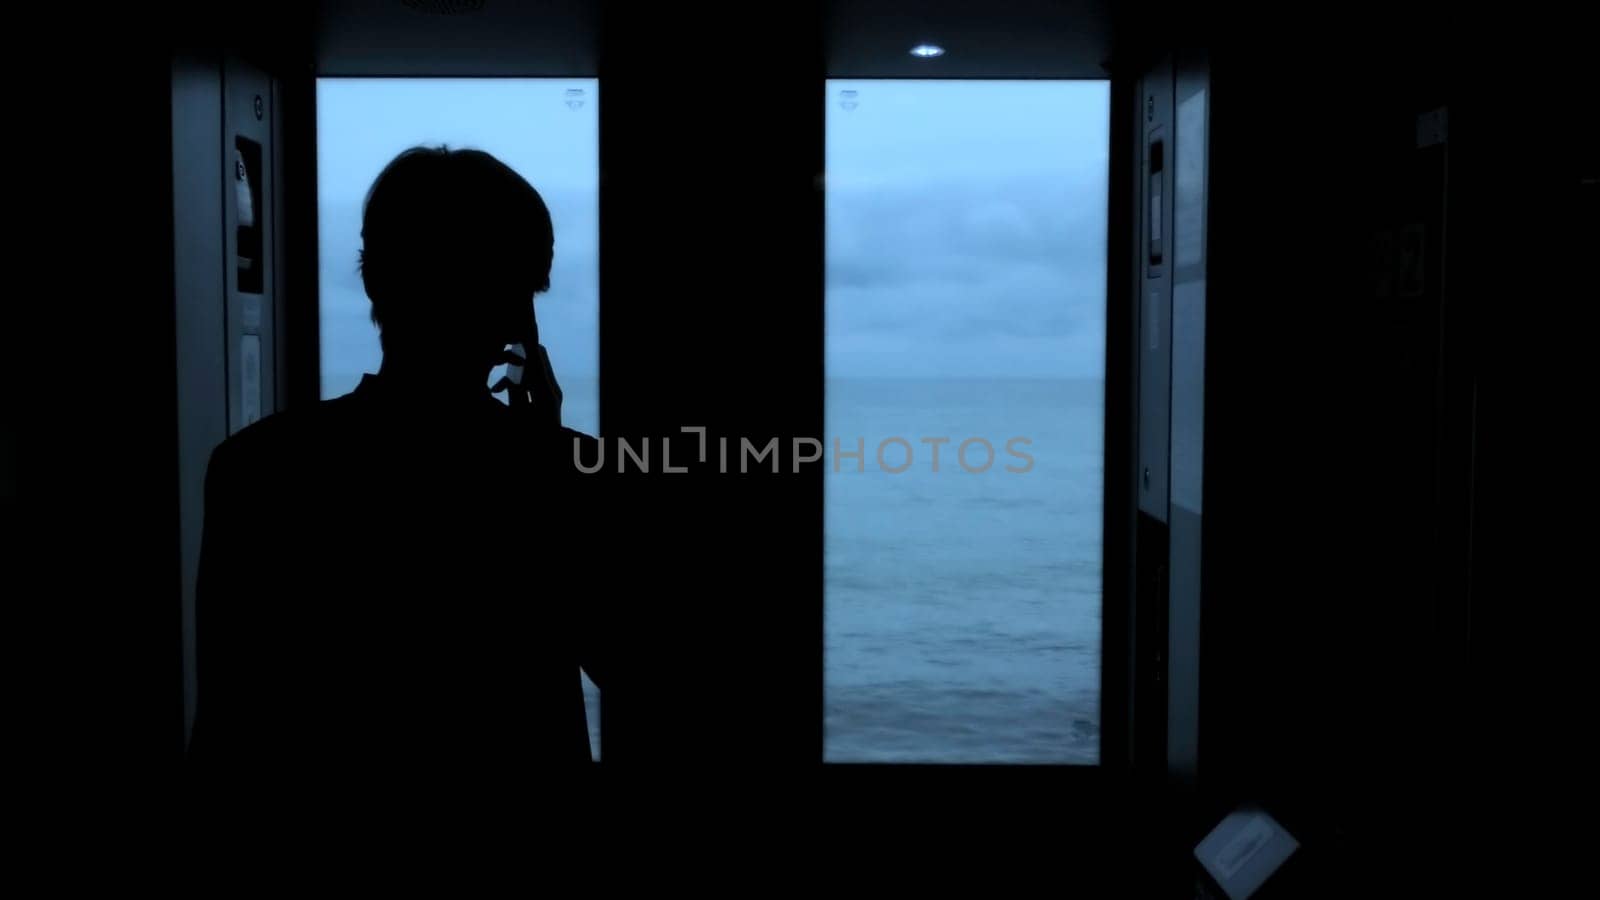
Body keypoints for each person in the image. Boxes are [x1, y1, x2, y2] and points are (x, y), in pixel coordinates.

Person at [187, 147, 606, 778]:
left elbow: (228, 721)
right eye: (525, 288)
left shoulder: (256, 469)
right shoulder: (562, 475)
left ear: (374, 279)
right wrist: (547, 456)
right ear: (517, 311)